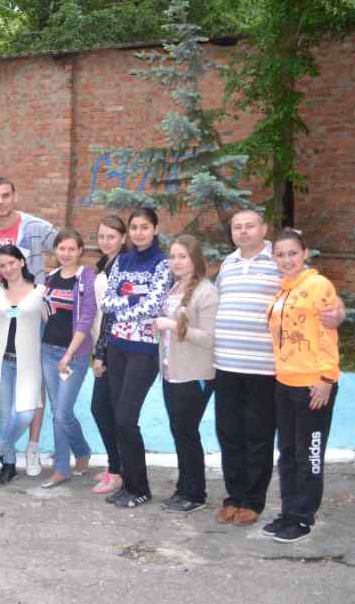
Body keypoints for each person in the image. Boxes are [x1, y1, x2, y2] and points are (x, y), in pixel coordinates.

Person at [213, 209, 344, 526]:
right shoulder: (227, 265)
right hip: (226, 365)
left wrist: (338, 313)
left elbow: (324, 298)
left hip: (264, 368)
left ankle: (253, 501)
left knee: (258, 436)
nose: (243, 231)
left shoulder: (281, 259)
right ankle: (234, 496)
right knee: (229, 434)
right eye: (237, 227)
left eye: (250, 225)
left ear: (264, 229)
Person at [0, 177, 58, 475]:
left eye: (5, 195)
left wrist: (54, 283)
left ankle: (32, 447)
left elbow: (65, 248)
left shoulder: (36, 227)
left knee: (34, 382)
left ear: (15, 196)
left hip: (32, 311)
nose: (0, 201)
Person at [264, 228, 341, 543]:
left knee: (308, 453)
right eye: (280, 255)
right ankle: (288, 512)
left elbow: (327, 334)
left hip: (314, 384)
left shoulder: (318, 285)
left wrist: (327, 378)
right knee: (287, 453)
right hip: (284, 382)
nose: (287, 260)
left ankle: (303, 517)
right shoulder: (283, 290)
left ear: (305, 254)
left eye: (292, 253)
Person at [100, 207, 171, 508]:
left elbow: (153, 306)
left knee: (127, 418)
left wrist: (125, 300)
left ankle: (139, 487)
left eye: (145, 227)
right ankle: (129, 485)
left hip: (143, 350)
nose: (139, 232)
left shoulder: (162, 263)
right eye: (134, 227)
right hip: (117, 346)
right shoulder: (122, 261)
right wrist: (134, 299)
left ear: (155, 229)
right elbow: (106, 301)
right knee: (118, 418)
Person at [154, 234, 218, 514]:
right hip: (171, 372)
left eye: (183, 256)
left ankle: (195, 494)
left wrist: (170, 325)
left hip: (195, 375)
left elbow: (209, 338)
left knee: (187, 432)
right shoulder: (174, 287)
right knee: (179, 431)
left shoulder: (206, 291)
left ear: (195, 259)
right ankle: (184, 488)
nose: (176, 262)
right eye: (173, 256)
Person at [0, 245, 52, 486]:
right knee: (4, 416)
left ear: (22, 262)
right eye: (2, 265)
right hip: (1, 363)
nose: (8, 268)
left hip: (29, 364)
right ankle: (8, 465)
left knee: (24, 414)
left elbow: (50, 325)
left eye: (12, 262)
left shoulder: (40, 292)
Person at [39, 230, 97, 489]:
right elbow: (44, 314)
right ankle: (68, 463)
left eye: (71, 249)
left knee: (62, 412)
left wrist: (69, 354)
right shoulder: (50, 278)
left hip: (73, 356)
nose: (66, 253)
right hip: (48, 351)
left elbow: (86, 318)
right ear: (56, 250)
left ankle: (75, 456)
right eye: (61, 248)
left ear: (80, 251)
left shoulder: (86, 277)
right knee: (58, 412)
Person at [90, 215, 128, 495]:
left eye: (111, 236)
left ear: (123, 238)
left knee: (104, 408)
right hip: (105, 346)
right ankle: (117, 465)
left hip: (115, 348)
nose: (105, 241)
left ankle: (117, 471)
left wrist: (100, 353)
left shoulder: (122, 268)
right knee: (106, 409)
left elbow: (112, 316)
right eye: (101, 236)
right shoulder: (105, 265)